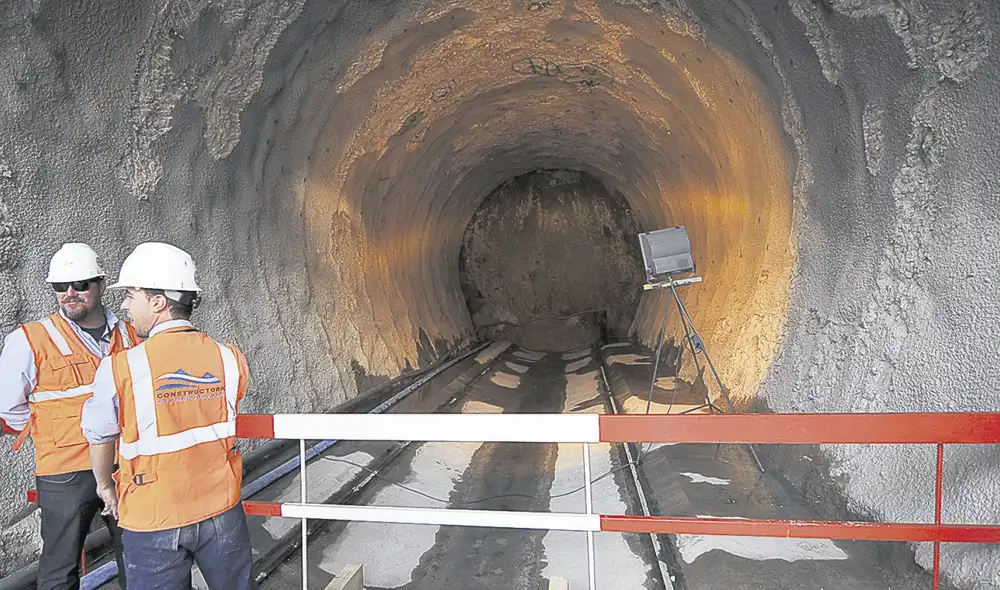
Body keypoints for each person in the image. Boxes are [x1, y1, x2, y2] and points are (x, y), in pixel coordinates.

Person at [81, 242, 256, 590]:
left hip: (153, 518)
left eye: (132, 294)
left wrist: (105, 486)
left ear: (158, 302)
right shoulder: (228, 358)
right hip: (222, 508)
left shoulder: (120, 368)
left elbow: (100, 437)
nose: (125, 305)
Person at [0, 242, 137, 590]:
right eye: (60, 287)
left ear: (101, 284)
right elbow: (7, 407)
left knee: (139, 562)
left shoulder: (131, 335)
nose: (70, 293)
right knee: (59, 571)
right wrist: (50, 431)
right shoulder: (31, 340)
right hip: (64, 471)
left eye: (80, 284)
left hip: (128, 465)